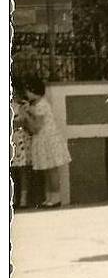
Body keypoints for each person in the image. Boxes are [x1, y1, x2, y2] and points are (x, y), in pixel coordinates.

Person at [22, 77, 72, 208]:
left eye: (27, 91)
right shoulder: (37, 105)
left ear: (34, 91)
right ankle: (51, 197)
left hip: (48, 140)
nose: (26, 94)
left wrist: (27, 114)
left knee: (52, 170)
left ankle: (55, 198)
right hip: (45, 140)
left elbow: (36, 127)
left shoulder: (41, 105)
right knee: (48, 170)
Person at [11, 90, 33, 209]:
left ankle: (23, 199)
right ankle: (12, 198)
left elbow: (25, 122)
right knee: (11, 172)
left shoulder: (22, 107)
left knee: (23, 171)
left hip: (21, 141)